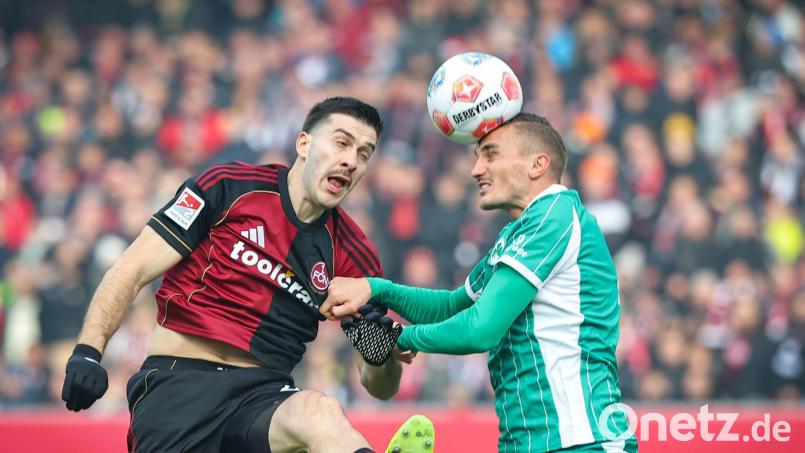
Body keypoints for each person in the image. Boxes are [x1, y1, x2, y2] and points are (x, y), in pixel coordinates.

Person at [61, 97, 435, 453]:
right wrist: (88, 352)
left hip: (263, 397)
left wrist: (379, 353)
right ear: (304, 143)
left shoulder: (355, 256)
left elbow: (380, 387)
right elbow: (131, 268)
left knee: (320, 413)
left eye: (364, 154)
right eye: (342, 143)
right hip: (181, 382)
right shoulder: (227, 187)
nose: (351, 161)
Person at [322, 113, 638, 453]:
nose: (476, 169)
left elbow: (480, 328)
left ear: (537, 165)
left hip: (581, 441)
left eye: (490, 154)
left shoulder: (555, 216)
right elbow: (451, 307)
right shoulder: (518, 233)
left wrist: (400, 338)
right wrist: (376, 288)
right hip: (529, 442)